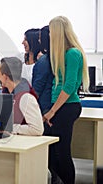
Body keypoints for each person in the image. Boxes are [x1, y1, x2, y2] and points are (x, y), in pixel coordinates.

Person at [43, 16, 89, 184]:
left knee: (62, 152)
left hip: (67, 107)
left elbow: (69, 86)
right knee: (50, 147)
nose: (49, 35)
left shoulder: (73, 53)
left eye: (50, 31)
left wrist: (52, 111)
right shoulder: (62, 54)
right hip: (60, 106)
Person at [0, 57, 44, 136]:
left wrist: (11, 128)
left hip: (24, 144)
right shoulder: (7, 94)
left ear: (5, 77)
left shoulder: (26, 97)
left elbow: (37, 129)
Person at [32, 25, 54, 115]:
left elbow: (38, 84)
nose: (39, 41)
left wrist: (30, 103)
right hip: (51, 103)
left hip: (44, 106)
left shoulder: (44, 60)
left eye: (40, 38)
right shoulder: (55, 59)